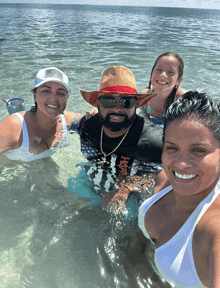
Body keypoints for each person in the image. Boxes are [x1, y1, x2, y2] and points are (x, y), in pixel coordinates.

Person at [139, 91, 220, 288]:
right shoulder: (164, 180)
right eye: (172, 148)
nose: (181, 164)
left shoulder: (215, 230)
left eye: (198, 150)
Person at [69, 65, 163, 215]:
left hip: (131, 197)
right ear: (98, 104)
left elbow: (166, 172)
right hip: (92, 179)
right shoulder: (88, 126)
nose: (117, 108)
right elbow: (65, 119)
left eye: (126, 102)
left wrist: (126, 189)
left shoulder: (152, 140)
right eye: (108, 101)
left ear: (136, 105)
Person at [0, 67, 82, 162]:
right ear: (34, 95)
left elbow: (94, 122)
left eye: (60, 93)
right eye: (46, 91)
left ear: (67, 98)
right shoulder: (15, 126)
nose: (54, 98)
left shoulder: (68, 119)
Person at [138, 52, 188, 127]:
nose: (163, 75)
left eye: (171, 72)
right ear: (151, 74)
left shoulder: (182, 98)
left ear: (179, 81)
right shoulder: (144, 96)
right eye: (159, 69)